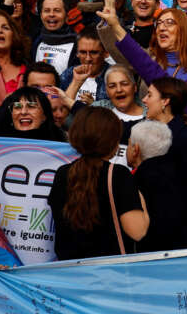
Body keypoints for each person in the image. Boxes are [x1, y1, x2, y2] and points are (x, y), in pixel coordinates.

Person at [49, 107, 148, 259]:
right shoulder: (119, 174)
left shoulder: (62, 173)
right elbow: (137, 231)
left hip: (67, 272)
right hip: (108, 274)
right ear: (112, 139)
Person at [0, 86, 64, 142]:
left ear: (44, 116)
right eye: (17, 106)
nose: (23, 112)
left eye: (31, 106)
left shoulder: (62, 143)